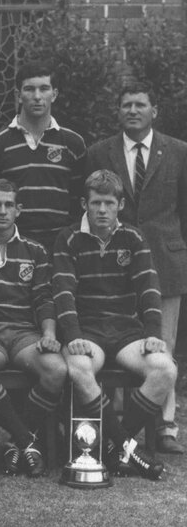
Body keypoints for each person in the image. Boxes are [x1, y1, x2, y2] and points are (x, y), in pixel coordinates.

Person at [54, 169, 176, 480]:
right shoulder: (68, 238)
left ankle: (112, 446)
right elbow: (64, 292)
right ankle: (126, 448)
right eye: (96, 203)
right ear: (85, 204)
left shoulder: (133, 237)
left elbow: (149, 288)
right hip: (87, 330)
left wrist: (153, 333)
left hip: (125, 329)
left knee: (165, 370)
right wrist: (73, 335)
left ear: (120, 205)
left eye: (109, 203)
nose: (102, 210)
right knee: (79, 367)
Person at [86, 83, 187, 454]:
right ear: (118, 111)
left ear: (154, 110)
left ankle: (164, 427)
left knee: (164, 344)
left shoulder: (179, 152)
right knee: (121, 338)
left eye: (140, 104)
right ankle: (117, 421)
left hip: (166, 260)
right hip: (118, 263)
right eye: (126, 104)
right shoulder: (100, 152)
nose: (133, 110)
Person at [0, 179, 68, 476]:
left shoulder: (35, 250)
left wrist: (48, 334)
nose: (2, 211)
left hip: (23, 334)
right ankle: (27, 441)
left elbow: (44, 298)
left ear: (19, 210)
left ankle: (16, 441)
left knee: (56, 369)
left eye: (9, 205)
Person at [0, 63, 85, 251]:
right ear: (19, 95)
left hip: (61, 244)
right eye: (30, 89)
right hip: (13, 244)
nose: (37, 96)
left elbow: (79, 199)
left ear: (54, 94)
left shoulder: (73, 143)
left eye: (44, 89)